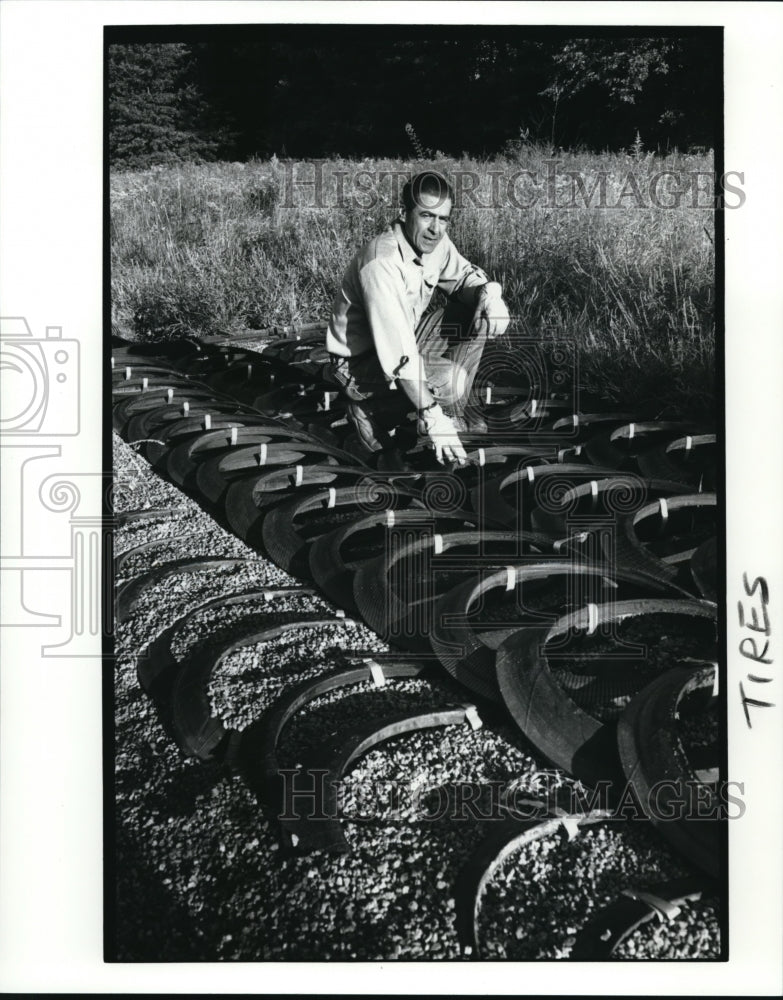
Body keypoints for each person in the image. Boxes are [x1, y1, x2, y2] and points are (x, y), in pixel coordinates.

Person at [325, 170, 510, 466]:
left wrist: (489, 292)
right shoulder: (382, 264)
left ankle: (453, 413)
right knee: (452, 379)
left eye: (443, 218)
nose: (436, 228)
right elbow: (400, 354)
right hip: (360, 365)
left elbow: (462, 279)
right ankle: (369, 409)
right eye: (426, 216)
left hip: (404, 341)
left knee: (476, 313)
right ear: (404, 213)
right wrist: (431, 415)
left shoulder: (435, 242)